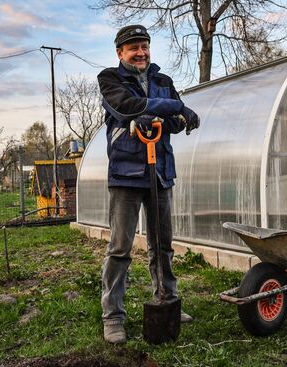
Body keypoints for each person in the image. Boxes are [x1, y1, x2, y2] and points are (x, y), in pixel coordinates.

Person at [97, 24, 200, 344]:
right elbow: (124, 107)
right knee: (120, 248)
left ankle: (167, 299)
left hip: (160, 172)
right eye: (133, 48)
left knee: (162, 245)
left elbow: (175, 124)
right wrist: (175, 107)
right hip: (126, 175)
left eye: (144, 46)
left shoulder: (163, 81)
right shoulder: (110, 79)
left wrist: (160, 113)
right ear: (120, 53)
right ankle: (113, 315)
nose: (140, 52)